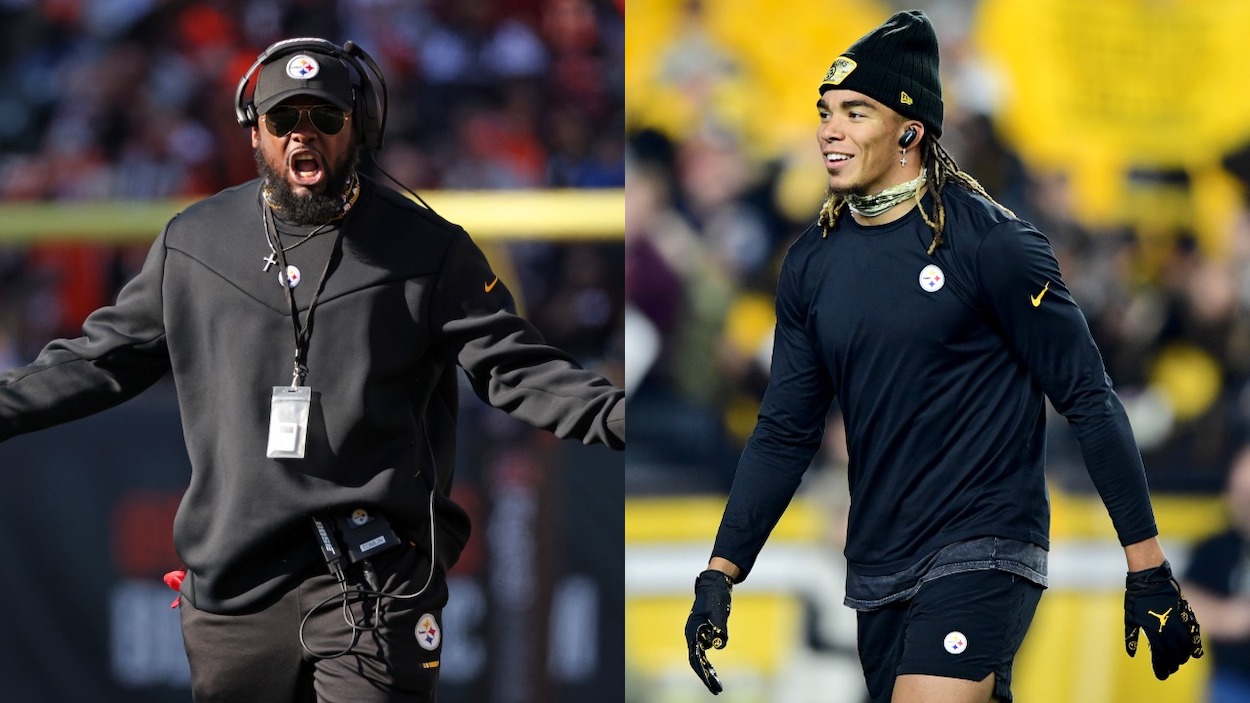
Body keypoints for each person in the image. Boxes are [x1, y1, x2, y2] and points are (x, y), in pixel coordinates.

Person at [0, 37, 624, 702]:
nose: (305, 136)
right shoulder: (195, 242)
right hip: (235, 589)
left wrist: (621, 415)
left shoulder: (426, 249)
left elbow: (518, 370)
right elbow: (100, 360)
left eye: (325, 118)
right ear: (254, 132)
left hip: (373, 583)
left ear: (360, 127)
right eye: (284, 120)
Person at [682, 11, 1201, 703]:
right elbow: (785, 428)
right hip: (876, 560)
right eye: (825, 111)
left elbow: (1087, 395)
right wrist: (722, 567)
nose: (829, 130)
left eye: (854, 112)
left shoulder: (993, 245)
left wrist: (1148, 565)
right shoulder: (810, 263)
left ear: (910, 130)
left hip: (984, 543)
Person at [1183, 445, 1250, 703]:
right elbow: (1179, 599)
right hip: (1231, 681)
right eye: (1240, 492)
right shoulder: (1217, 546)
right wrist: (1226, 617)